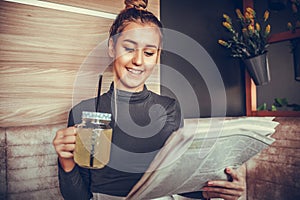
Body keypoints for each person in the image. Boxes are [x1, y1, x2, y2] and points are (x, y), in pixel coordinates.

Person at [52, 0, 245, 199]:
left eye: (149, 52)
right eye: (128, 48)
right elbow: (78, 197)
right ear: (112, 47)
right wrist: (65, 162)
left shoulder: (170, 108)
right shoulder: (82, 111)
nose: (138, 60)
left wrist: (215, 191)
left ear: (157, 55)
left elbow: (179, 184)